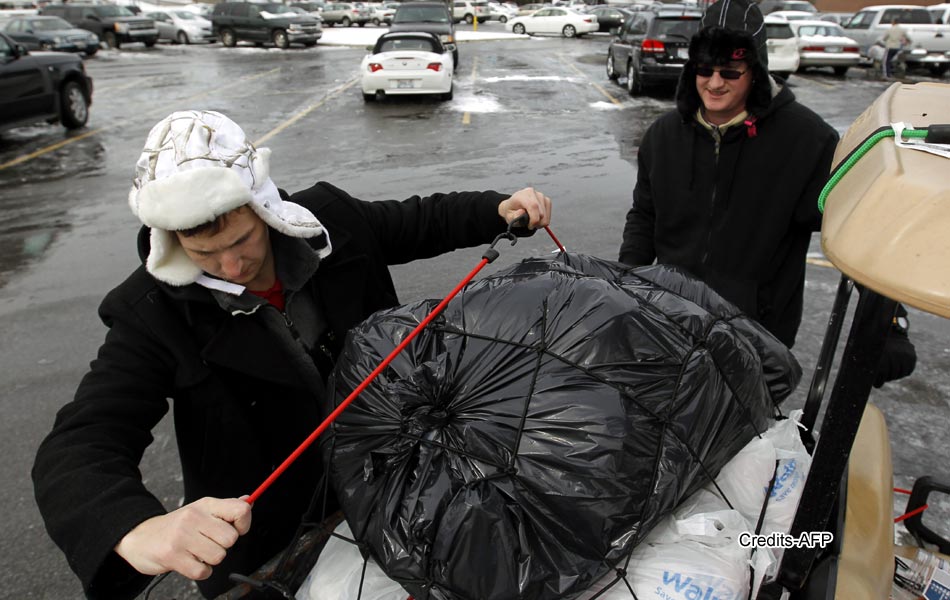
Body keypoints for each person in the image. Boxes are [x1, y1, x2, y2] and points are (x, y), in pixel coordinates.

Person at [31, 110, 553, 599]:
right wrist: (135, 527)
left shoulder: (332, 220)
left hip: (399, 481)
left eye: (242, 241)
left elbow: (417, 220)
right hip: (274, 543)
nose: (231, 266)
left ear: (265, 209)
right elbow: (82, 440)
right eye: (204, 253)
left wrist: (495, 209)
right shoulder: (149, 313)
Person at [618, 0, 916, 382]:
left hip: (756, 336)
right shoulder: (663, 136)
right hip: (669, 324)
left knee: (739, 441)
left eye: (730, 72)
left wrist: (890, 321)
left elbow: (855, 225)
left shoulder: (806, 140)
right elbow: (644, 216)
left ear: (756, 72)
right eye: (704, 70)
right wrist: (625, 287)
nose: (714, 83)